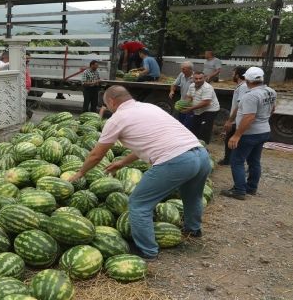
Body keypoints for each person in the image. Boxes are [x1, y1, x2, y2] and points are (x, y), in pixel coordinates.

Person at [70, 85, 211, 259]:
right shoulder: (149, 107)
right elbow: (150, 141)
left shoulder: (117, 118)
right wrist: (121, 162)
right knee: (193, 196)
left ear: (112, 102)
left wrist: (80, 173)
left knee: (138, 205)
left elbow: (96, 155)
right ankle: (193, 230)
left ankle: (147, 250)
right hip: (200, 154)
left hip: (175, 161)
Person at [221, 67, 276, 200]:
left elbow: (249, 117)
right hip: (264, 130)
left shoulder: (250, 96)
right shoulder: (270, 91)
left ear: (247, 79)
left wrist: (237, 135)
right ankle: (251, 187)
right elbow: (272, 109)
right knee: (254, 161)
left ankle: (239, 191)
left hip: (250, 134)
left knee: (237, 161)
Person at [218, 66, 249, 166]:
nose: (232, 76)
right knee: (229, 139)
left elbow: (240, 105)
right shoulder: (241, 86)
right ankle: (229, 160)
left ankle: (229, 161)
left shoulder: (243, 87)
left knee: (230, 140)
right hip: (236, 119)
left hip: (237, 120)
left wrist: (230, 120)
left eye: (233, 74)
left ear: (238, 75)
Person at [182, 72, 220, 144]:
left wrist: (190, 109)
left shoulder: (207, 87)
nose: (198, 80)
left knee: (204, 129)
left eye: (200, 78)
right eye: (196, 78)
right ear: (193, 79)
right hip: (198, 110)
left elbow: (206, 102)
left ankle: (204, 147)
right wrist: (184, 105)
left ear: (204, 78)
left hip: (210, 110)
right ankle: (195, 144)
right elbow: (189, 97)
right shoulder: (191, 86)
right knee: (194, 127)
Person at [169, 61, 194, 127]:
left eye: (184, 69)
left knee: (188, 124)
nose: (182, 70)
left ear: (190, 69)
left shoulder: (195, 78)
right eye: (181, 68)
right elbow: (174, 84)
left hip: (191, 104)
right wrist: (172, 91)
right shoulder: (181, 74)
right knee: (181, 121)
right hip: (182, 102)